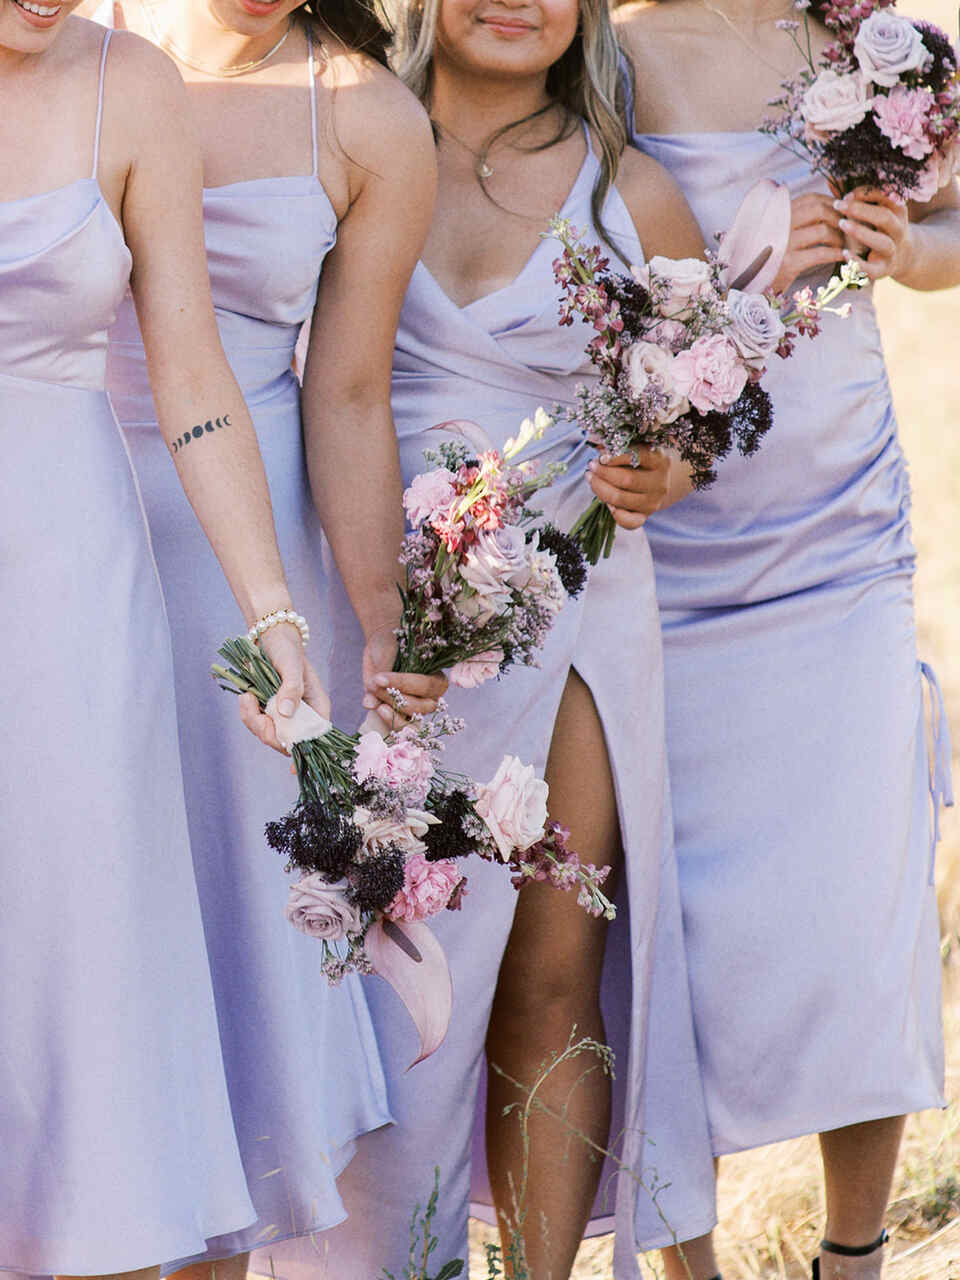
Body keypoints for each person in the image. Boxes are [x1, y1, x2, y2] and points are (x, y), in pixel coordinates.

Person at [248, 0, 714, 1275]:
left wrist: (664, 469)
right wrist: (368, 610)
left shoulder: (637, 195)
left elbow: (701, 409)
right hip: (372, 604)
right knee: (377, 953)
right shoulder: (348, 143)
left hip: (569, 610)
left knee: (553, 959)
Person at [85, 0, 447, 1275]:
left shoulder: (372, 120)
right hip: (63, 503)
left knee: (228, 946)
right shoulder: (67, 35)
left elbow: (346, 392)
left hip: (247, 566)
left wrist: (379, 619)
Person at [608, 1, 960, 1275]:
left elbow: (954, 219)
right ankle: (684, 1264)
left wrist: (910, 249)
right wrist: (745, 249)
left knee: (861, 897)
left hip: (840, 522)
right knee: (668, 932)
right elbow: (584, 260)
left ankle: (854, 1254)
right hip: (674, 532)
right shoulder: (607, 48)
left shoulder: (880, 48)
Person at [0, 3, 331, 1276]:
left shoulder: (130, 86)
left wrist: (274, 611)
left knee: (81, 958)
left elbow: (191, 372)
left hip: (76, 589)